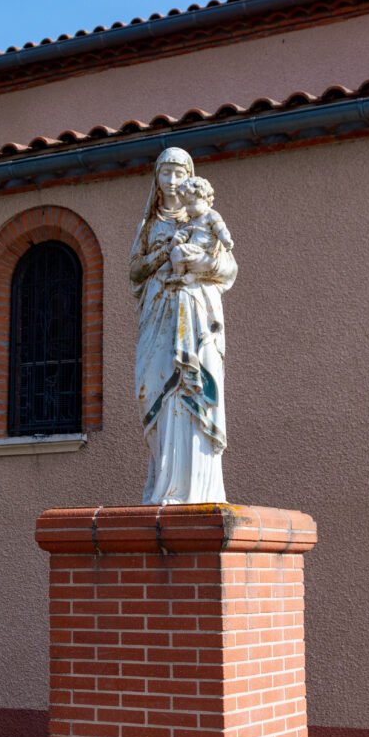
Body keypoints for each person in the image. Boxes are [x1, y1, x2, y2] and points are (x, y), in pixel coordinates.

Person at [129, 147, 237, 504]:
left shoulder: (203, 216)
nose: (173, 181)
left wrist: (198, 261)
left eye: (179, 173)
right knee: (152, 387)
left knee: (192, 387)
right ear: (156, 180)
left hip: (195, 312)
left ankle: (196, 487)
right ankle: (164, 482)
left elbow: (228, 269)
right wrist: (165, 253)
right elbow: (135, 270)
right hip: (158, 315)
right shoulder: (151, 225)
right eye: (165, 173)